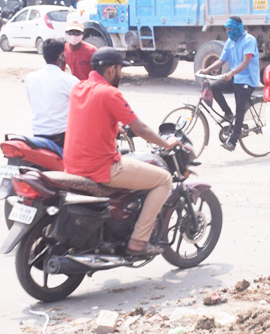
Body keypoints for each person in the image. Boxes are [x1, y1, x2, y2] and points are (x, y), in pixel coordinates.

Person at [62, 47, 181, 257]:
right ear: (111, 70)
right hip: (102, 168)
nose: (121, 74)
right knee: (163, 179)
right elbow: (141, 129)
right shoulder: (110, 93)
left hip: (72, 165)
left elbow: (90, 118)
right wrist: (166, 144)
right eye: (120, 70)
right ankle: (138, 241)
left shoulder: (78, 88)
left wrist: (115, 127)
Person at [197, 16, 260, 152]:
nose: (228, 32)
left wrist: (230, 74)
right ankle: (228, 114)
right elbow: (221, 60)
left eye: (230, 28)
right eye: (226, 29)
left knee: (240, 108)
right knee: (214, 88)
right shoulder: (229, 42)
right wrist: (207, 69)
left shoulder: (249, 40)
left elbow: (245, 62)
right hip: (235, 77)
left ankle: (233, 140)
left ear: (238, 27)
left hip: (247, 79)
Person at [25, 38, 79, 148]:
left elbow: (32, 102)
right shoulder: (70, 81)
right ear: (61, 56)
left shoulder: (30, 77)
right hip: (61, 136)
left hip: (37, 133)